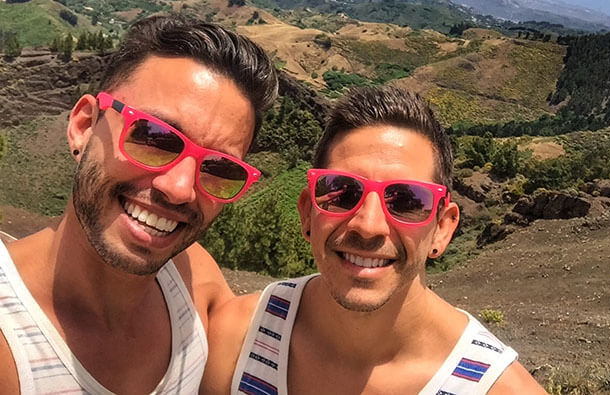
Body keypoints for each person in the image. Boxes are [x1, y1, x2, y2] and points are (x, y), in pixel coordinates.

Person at [202, 86, 546, 394]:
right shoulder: (236, 341)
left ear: (443, 228)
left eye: (408, 201)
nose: (369, 226)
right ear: (308, 213)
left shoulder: (498, 388)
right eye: (342, 192)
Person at [0, 15, 277, 394]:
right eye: (154, 136)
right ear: (84, 126)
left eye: (219, 167)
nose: (180, 189)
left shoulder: (194, 281)